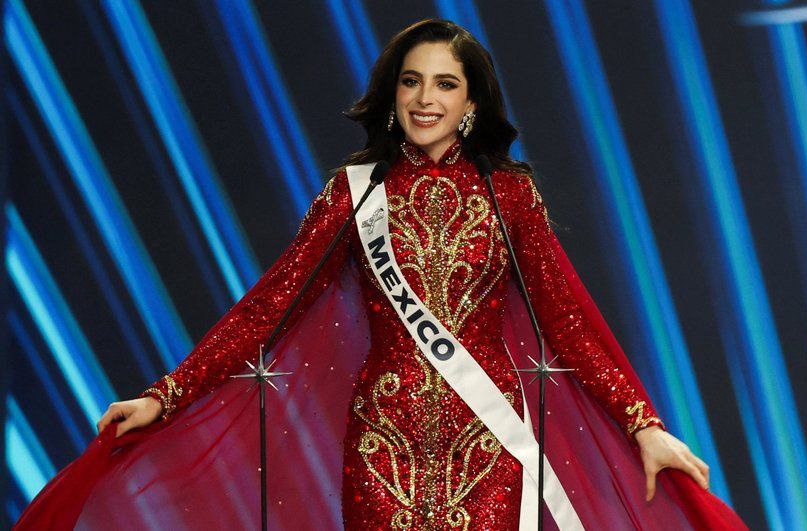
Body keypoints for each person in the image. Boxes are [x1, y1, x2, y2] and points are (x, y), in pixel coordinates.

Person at [15, 19, 745, 530]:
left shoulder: (510, 195)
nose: (426, 99)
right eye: (411, 82)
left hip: (488, 445)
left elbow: (567, 319)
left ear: (472, 102)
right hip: (383, 446)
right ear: (393, 95)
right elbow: (267, 308)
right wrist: (165, 396)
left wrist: (643, 425)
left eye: (445, 84)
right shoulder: (355, 193)